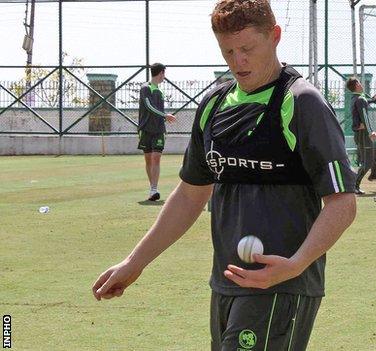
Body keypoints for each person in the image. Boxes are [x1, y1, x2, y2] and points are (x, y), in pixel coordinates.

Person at [92, 1, 357, 350]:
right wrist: (135, 261)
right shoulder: (214, 105)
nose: (237, 61)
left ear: (274, 37)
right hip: (225, 283)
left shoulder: (301, 102)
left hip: (281, 286)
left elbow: (342, 202)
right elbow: (190, 195)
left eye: (247, 48)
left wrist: (295, 265)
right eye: (228, 51)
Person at [137, 63, 176, 201]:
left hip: (159, 129)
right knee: (148, 159)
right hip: (145, 128)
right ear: (160, 73)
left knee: (156, 157)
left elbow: (157, 110)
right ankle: (152, 188)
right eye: (164, 73)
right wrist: (165, 115)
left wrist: (164, 118)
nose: (164, 77)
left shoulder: (160, 91)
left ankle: (154, 189)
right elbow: (148, 106)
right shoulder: (145, 88)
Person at [346, 77, 376, 195]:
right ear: (357, 84)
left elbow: (365, 102)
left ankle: (374, 175)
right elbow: (364, 116)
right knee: (367, 162)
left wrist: (373, 99)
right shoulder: (360, 99)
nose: (362, 84)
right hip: (363, 134)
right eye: (359, 82)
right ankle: (354, 186)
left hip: (362, 133)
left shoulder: (356, 98)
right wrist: (370, 132)